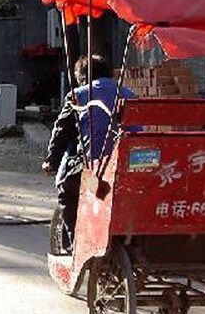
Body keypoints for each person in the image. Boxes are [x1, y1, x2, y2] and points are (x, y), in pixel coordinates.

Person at [43, 54, 136, 251]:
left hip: (96, 173)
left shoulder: (79, 95)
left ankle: (75, 245)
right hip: (132, 168)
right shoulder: (129, 94)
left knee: (68, 190)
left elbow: (61, 132)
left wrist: (51, 162)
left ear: (82, 77)